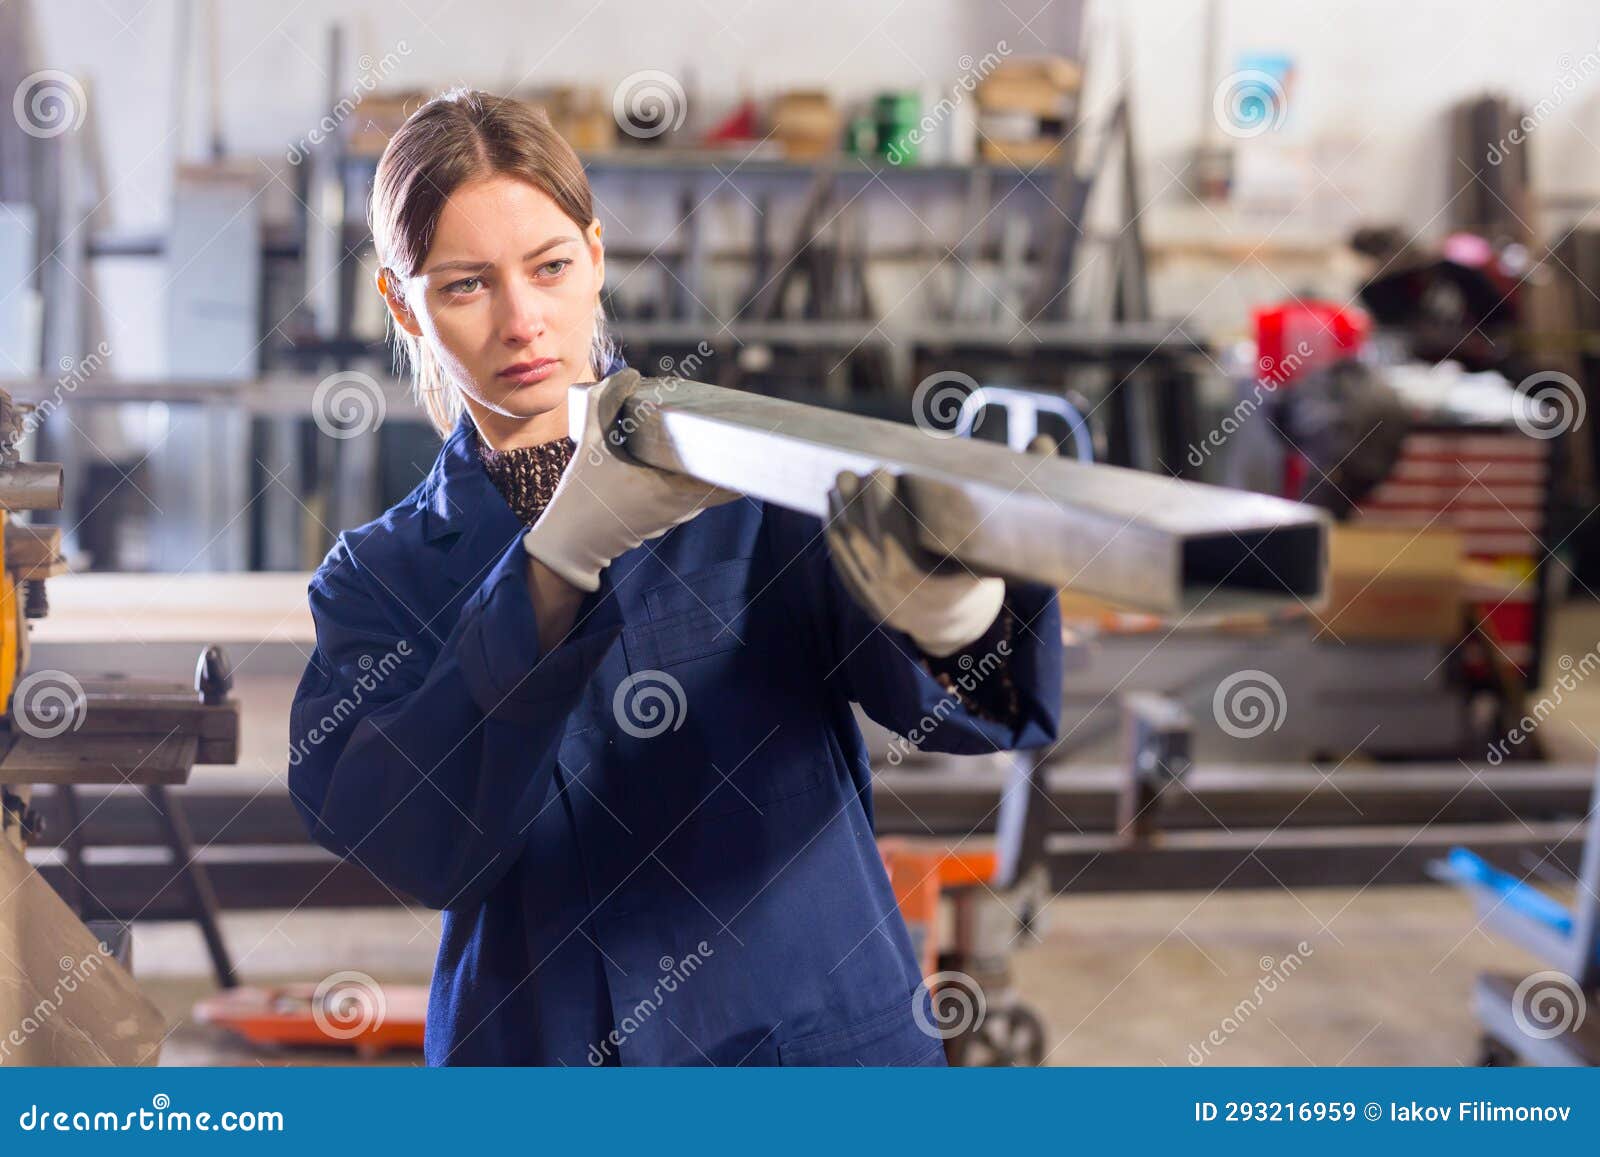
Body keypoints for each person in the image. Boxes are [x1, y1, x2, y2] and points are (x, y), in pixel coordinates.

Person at [288, 88, 1063, 1066]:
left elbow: (951, 710)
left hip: (804, 1043)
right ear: (403, 301)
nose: (524, 319)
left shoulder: (749, 471)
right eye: (466, 284)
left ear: (597, 257)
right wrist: (548, 572)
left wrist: (954, 615)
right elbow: (410, 837)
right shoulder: (381, 576)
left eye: (551, 266)